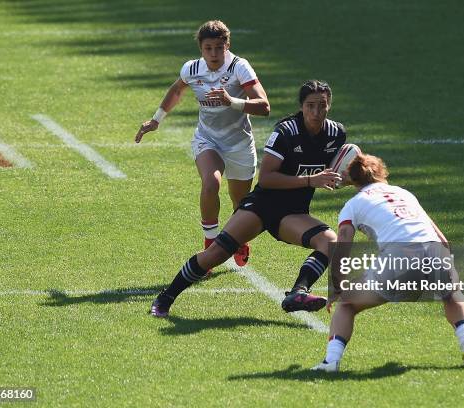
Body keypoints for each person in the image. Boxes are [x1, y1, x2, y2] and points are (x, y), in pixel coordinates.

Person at [150, 79, 346, 317]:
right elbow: (266, 178)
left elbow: (335, 174)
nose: (316, 112)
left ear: (330, 105)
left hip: (294, 213)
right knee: (216, 254)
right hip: (262, 207)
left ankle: (298, 292)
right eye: (310, 106)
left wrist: (346, 178)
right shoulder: (287, 131)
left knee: (330, 242)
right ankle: (166, 297)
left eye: (322, 106)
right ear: (301, 106)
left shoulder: (336, 134)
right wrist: (309, 180)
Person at [312, 153, 464, 372]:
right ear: (382, 172)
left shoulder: (353, 205)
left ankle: (331, 362)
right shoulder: (404, 193)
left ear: (353, 180)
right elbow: (442, 239)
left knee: (347, 304)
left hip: (399, 260)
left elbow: (343, 242)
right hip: (434, 252)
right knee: (452, 293)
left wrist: (337, 285)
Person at [135, 20, 270, 268]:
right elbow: (177, 91)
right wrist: (156, 120)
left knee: (241, 204)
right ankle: (210, 247)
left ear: (227, 45)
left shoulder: (240, 67)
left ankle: (238, 240)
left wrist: (232, 101)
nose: (214, 54)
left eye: (219, 47)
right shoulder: (192, 69)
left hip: (239, 143)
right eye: (208, 48)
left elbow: (264, 106)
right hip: (207, 139)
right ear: (200, 47)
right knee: (211, 182)